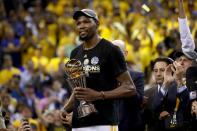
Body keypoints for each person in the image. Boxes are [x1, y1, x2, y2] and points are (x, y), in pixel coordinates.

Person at [60, 9, 137, 131]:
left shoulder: (111, 50)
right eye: (78, 23)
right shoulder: (75, 53)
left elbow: (130, 88)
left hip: (104, 122)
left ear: (97, 24)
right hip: (78, 123)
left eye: (86, 22)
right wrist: (66, 109)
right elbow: (78, 89)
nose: (81, 26)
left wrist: (99, 95)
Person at [112, 40, 144, 131]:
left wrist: (126, 83)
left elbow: (139, 102)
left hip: (128, 126)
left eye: (116, 51)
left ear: (125, 54)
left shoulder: (137, 76)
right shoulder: (103, 76)